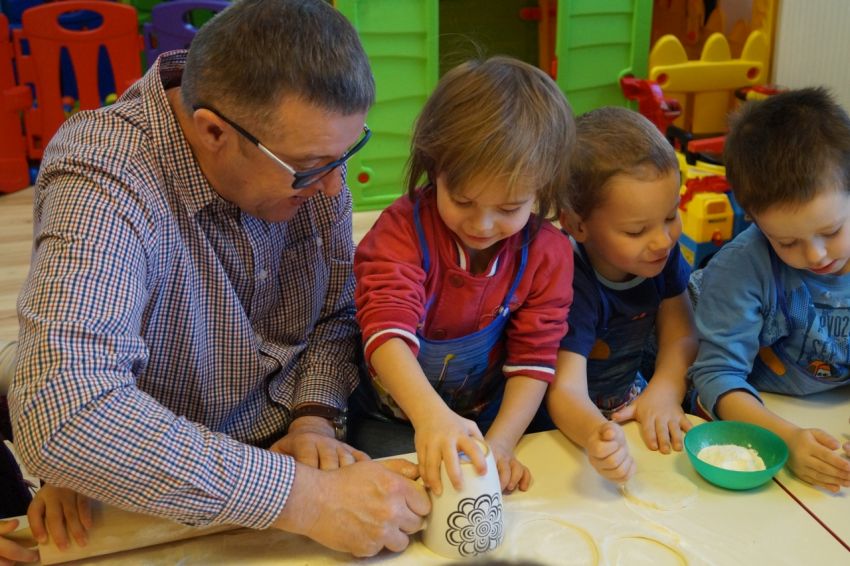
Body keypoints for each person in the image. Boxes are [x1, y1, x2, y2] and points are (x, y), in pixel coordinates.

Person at [9, 0, 429, 557]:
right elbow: (67, 410)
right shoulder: (105, 176)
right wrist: (306, 499)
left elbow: (335, 313)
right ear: (213, 132)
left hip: (291, 450)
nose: (334, 189)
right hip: (162, 479)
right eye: (311, 167)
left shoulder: (305, 148)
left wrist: (313, 419)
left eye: (344, 155)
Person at [352, 56, 575, 496]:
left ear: (543, 188)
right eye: (463, 200)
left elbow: (534, 357)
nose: (482, 224)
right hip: (386, 415)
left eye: (509, 208)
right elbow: (386, 326)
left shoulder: (548, 253)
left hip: (488, 414)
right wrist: (430, 417)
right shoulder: (402, 231)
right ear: (434, 168)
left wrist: (502, 445)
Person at [688, 87, 850, 492]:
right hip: (759, 405)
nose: (815, 255)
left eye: (832, 231)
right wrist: (785, 438)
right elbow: (716, 377)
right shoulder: (741, 268)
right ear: (755, 220)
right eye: (786, 242)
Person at [547, 107, 697, 484]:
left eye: (671, 216)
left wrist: (665, 390)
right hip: (559, 425)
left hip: (629, 399)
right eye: (636, 231)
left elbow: (681, 334)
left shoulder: (661, 254)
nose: (662, 240)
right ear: (576, 225)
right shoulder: (568, 279)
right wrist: (596, 435)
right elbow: (564, 389)